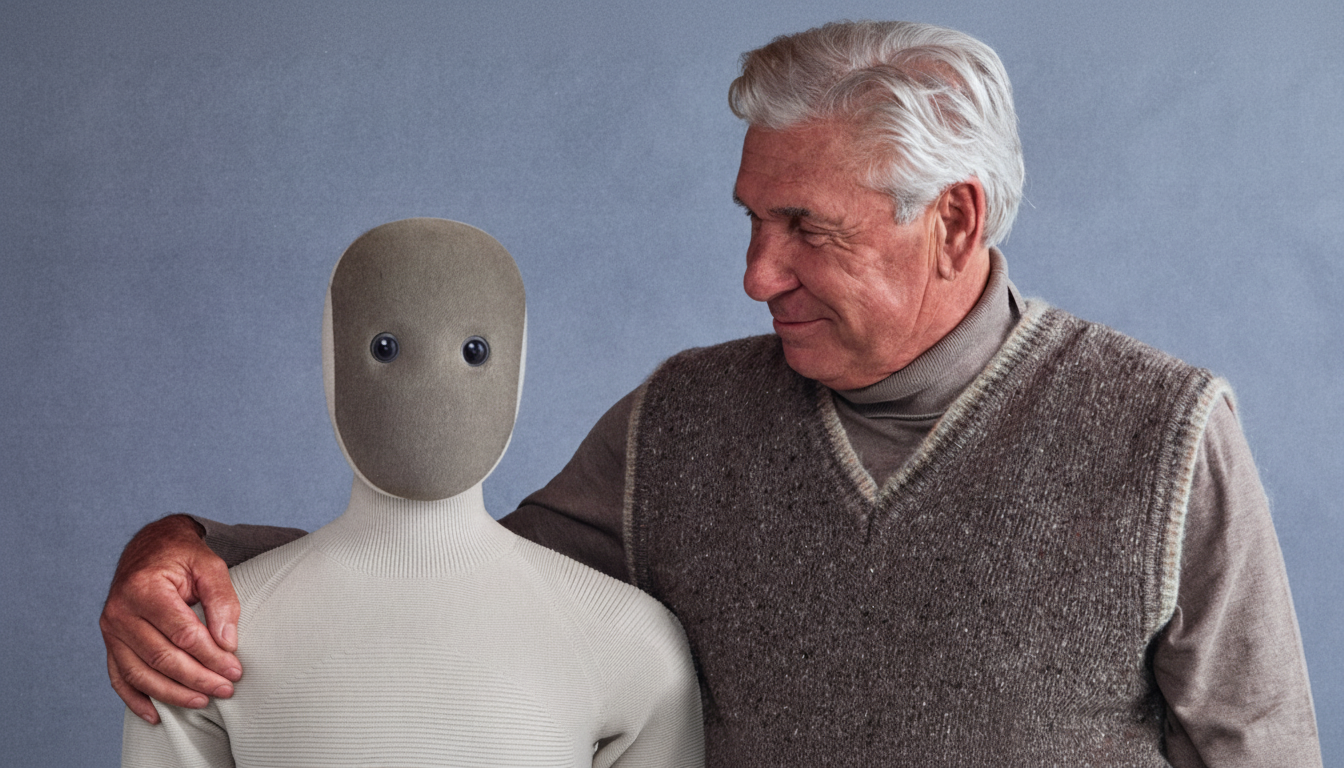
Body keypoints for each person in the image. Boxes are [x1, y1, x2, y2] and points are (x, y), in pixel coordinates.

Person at [102, 21, 1321, 767]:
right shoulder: (681, 424)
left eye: (806, 229)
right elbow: (462, 583)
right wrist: (187, 550)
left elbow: (1260, 754)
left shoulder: (1164, 435)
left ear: (953, 221)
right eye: (751, 220)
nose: (756, 275)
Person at [119, 218, 703, 767]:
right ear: (333, 350)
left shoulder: (633, 643)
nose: (430, 381)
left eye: (474, 353)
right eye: (386, 349)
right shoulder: (189, 646)